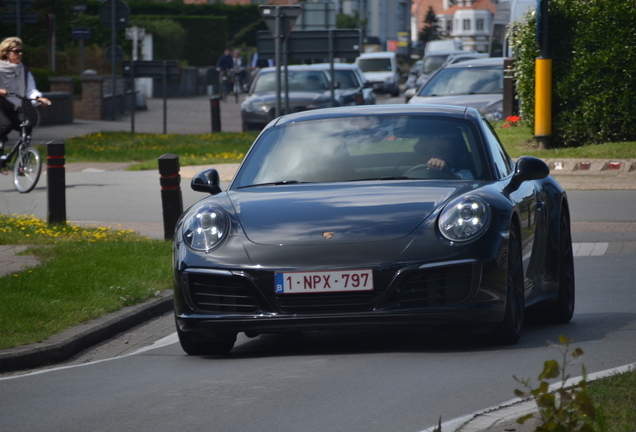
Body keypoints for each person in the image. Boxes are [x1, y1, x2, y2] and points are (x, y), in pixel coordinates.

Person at [0, 37, 51, 157]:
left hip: (14, 107)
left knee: (27, 127)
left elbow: (31, 90)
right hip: (1, 105)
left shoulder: (24, 71)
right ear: (6, 53)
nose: (20, 53)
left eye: (21, 51)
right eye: (16, 51)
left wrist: (39, 98)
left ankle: (22, 160)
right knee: (5, 126)